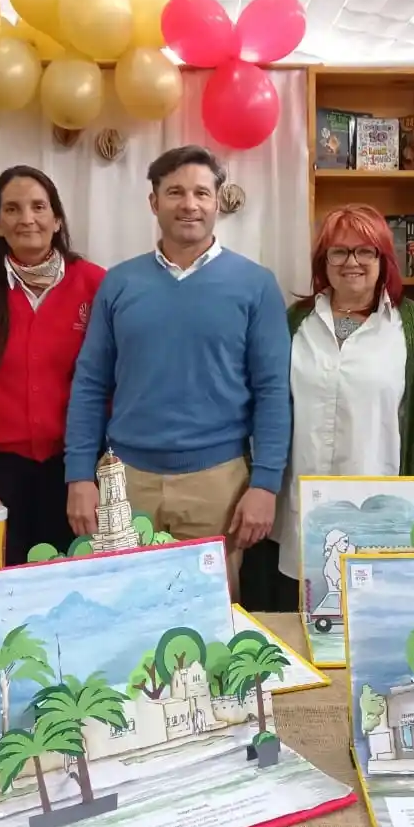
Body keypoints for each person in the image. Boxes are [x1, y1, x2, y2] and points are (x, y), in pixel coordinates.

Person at [65, 145, 292, 598]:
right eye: (175, 192)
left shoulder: (255, 284)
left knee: (210, 619)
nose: (189, 204)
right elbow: (90, 384)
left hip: (218, 485)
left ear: (217, 201)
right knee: (124, 613)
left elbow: (272, 392)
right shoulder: (119, 283)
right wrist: (79, 476)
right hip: (126, 482)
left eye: (201, 193)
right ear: (154, 202)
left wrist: (266, 485)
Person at [271, 204, 414, 605]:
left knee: (376, 617)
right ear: (323, 260)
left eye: (366, 251)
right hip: (301, 510)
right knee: (307, 618)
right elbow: (267, 406)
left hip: (384, 514)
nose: (352, 262)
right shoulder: (296, 322)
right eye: (339, 251)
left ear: (384, 260)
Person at [0, 166, 104, 563]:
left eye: (38, 207)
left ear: (57, 219)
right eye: (12, 209)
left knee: (75, 586)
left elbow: (112, 387)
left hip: (76, 472)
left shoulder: (94, 284)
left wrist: (94, 471)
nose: (26, 218)